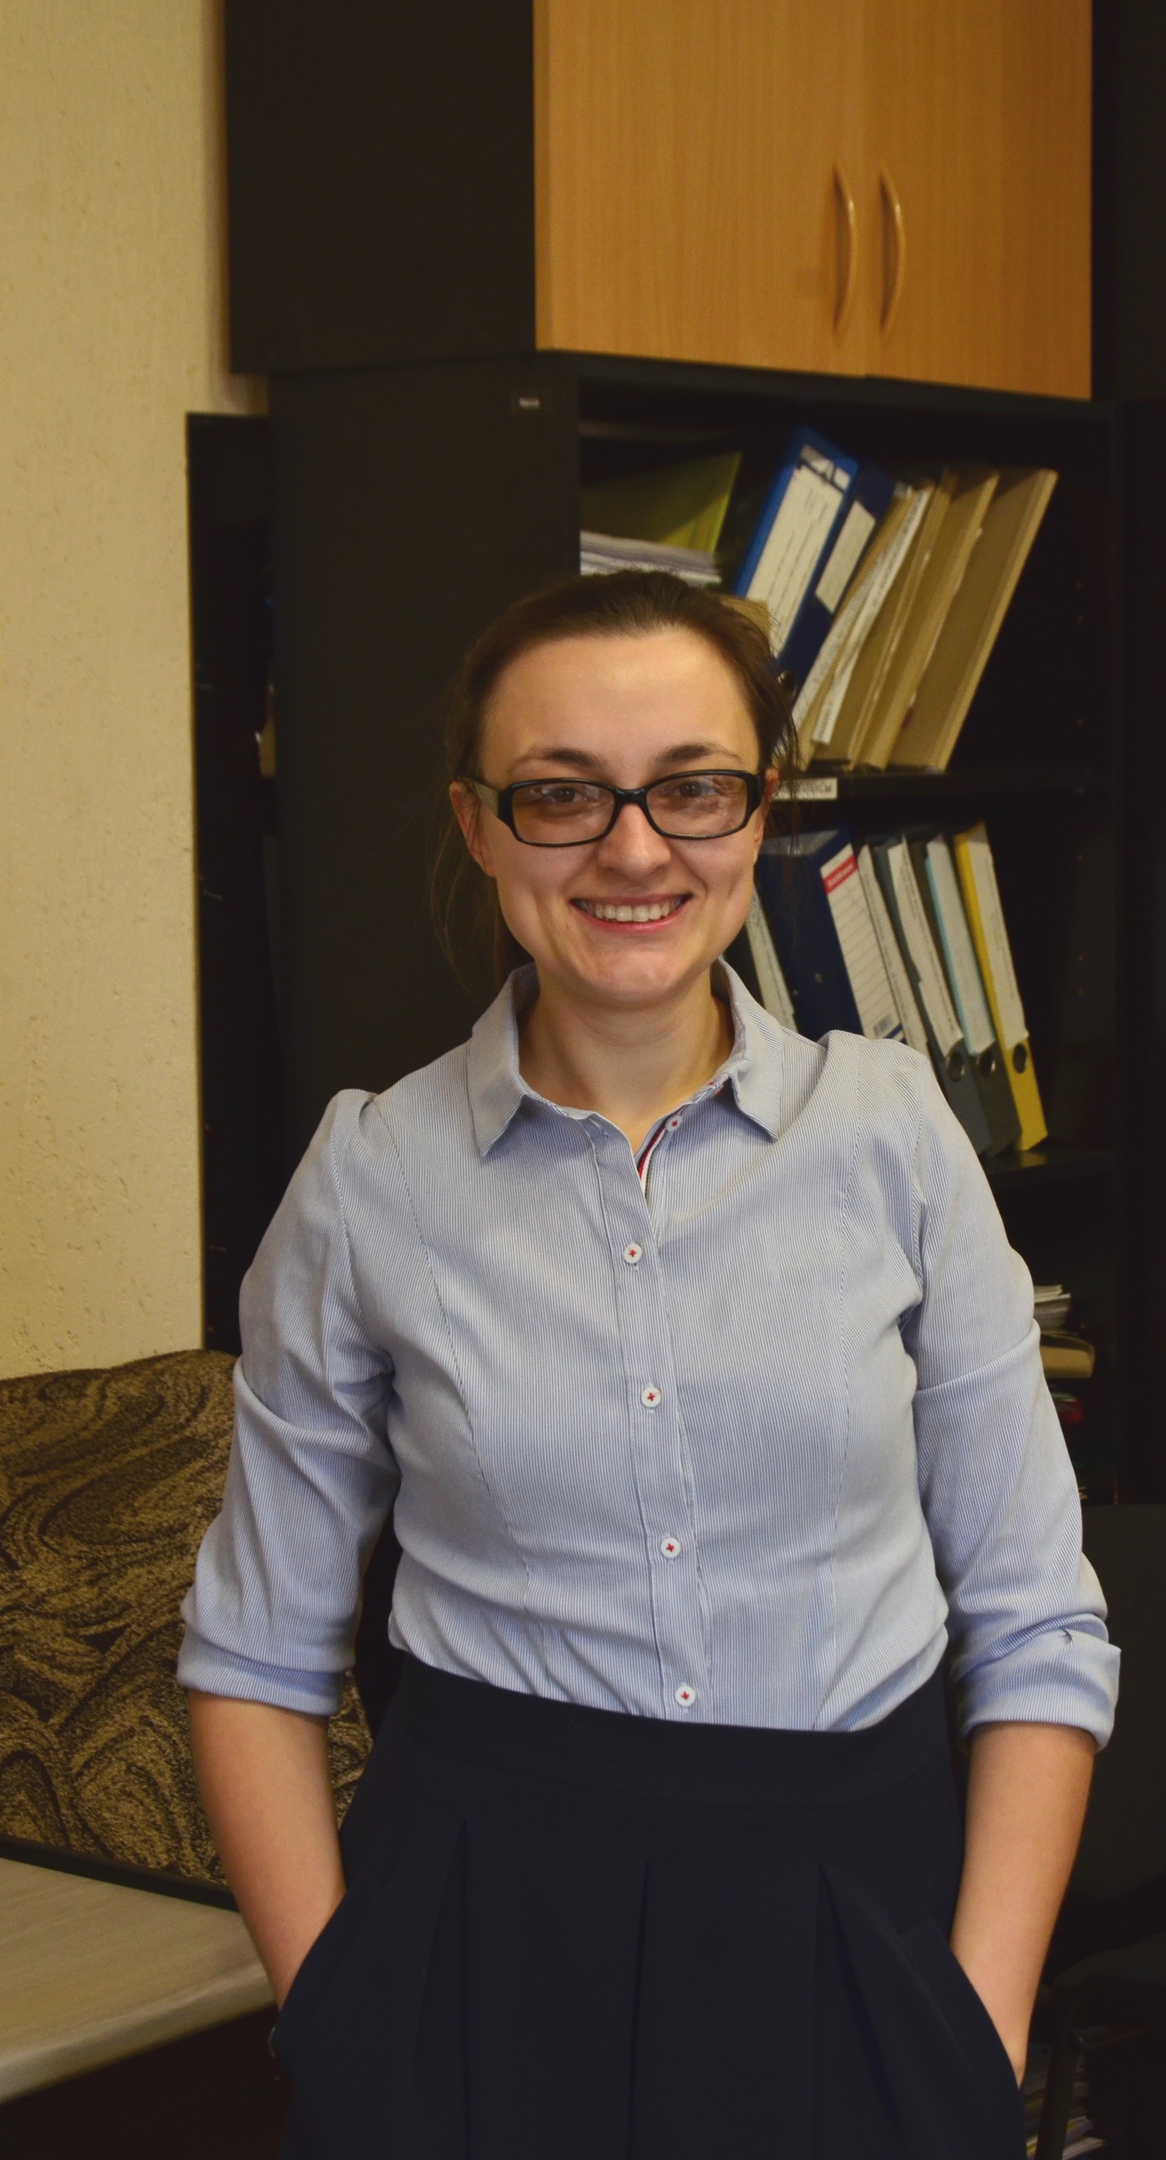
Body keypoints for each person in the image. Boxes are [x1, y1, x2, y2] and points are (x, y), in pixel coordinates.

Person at [181, 570, 1118, 2160]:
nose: (633, 850)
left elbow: (1038, 1622)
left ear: (763, 808)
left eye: (692, 787)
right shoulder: (369, 1177)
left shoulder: (895, 1137)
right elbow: (254, 1654)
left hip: (855, 1915)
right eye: (562, 795)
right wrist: (334, 2010)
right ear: (479, 826)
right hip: (478, 1926)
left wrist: (982, 2018)